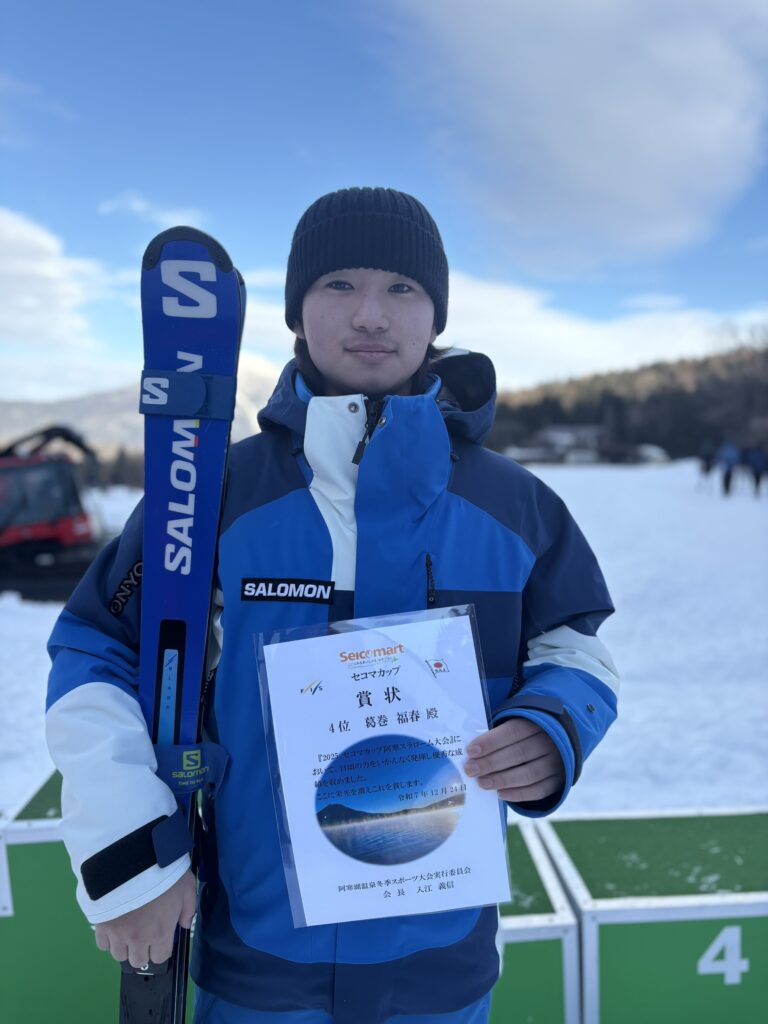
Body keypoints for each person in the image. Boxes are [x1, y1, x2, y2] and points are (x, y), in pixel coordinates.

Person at [46, 187, 620, 1024]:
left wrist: (553, 725)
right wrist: (132, 859)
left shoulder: (513, 506)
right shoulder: (213, 495)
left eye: (402, 288)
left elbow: (575, 645)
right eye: (339, 284)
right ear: (296, 311)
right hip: (258, 966)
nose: (371, 314)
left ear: (435, 314)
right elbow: (94, 650)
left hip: (441, 971)